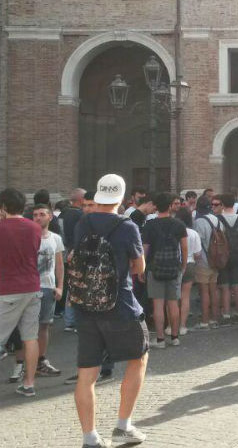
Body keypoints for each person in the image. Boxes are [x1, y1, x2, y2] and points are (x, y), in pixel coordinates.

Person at [71, 174, 148, 447]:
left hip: (85, 306)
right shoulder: (127, 226)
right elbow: (139, 267)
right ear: (121, 197)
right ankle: (123, 426)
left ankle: (89, 437)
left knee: (87, 373)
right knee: (138, 358)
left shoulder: (83, 222)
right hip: (120, 305)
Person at [0, 188, 43, 397]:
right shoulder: (35, 227)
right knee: (30, 338)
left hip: (8, 288)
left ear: (3, 207)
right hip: (32, 286)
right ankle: (29, 384)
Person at [141, 193, 188, 349]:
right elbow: (184, 247)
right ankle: (175, 337)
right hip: (173, 267)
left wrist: (142, 268)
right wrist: (183, 265)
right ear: (170, 206)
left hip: (155, 268)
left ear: (156, 207)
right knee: (173, 303)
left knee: (158, 305)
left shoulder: (150, 225)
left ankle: (160, 339)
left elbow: (145, 249)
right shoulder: (179, 224)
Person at [31, 204, 65, 376]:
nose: (38, 217)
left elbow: (59, 265)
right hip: (29, 288)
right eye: (35, 215)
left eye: (42, 214)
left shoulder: (55, 238)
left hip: (48, 287)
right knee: (27, 327)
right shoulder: (28, 237)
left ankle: (41, 361)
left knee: (44, 326)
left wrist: (60, 287)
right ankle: (23, 364)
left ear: (50, 217)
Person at [212, 193, 238, 324]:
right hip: (237, 255)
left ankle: (226, 314)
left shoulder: (218, 219)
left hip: (223, 255)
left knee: (224, 286)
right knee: (237, 285)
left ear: (222, 204)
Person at [193, 196, 221, 329]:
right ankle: (214, 318)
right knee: (214, 290)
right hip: (216, 260)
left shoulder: (199, 222)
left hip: (203, 261)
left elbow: (198, 242)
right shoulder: (216, 219)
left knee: (204, 291)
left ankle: (205, 320)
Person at [174, 207, 201, 335]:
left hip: (175, 264)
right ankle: (183, 326)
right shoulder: (193, 233)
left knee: (173, 297)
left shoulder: (174, 231)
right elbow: (198, 254)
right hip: (190, 264)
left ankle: (171, 326)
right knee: (185, 296)